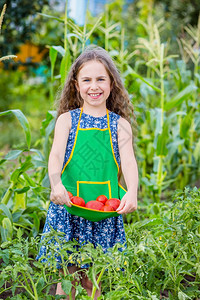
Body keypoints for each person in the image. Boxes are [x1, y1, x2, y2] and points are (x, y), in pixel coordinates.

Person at [37, 46, 138, 299]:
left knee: (93, 281)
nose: (95, 86)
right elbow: (56, 156)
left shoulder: (120, 125)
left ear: (111, 83)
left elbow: (129, 162)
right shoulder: (67, 120)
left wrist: (132, 191)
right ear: (76, 85)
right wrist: (55, 184)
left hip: (103, 214)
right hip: (69, 208)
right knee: (67, 280)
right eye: (87, 80)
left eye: (101, 79)